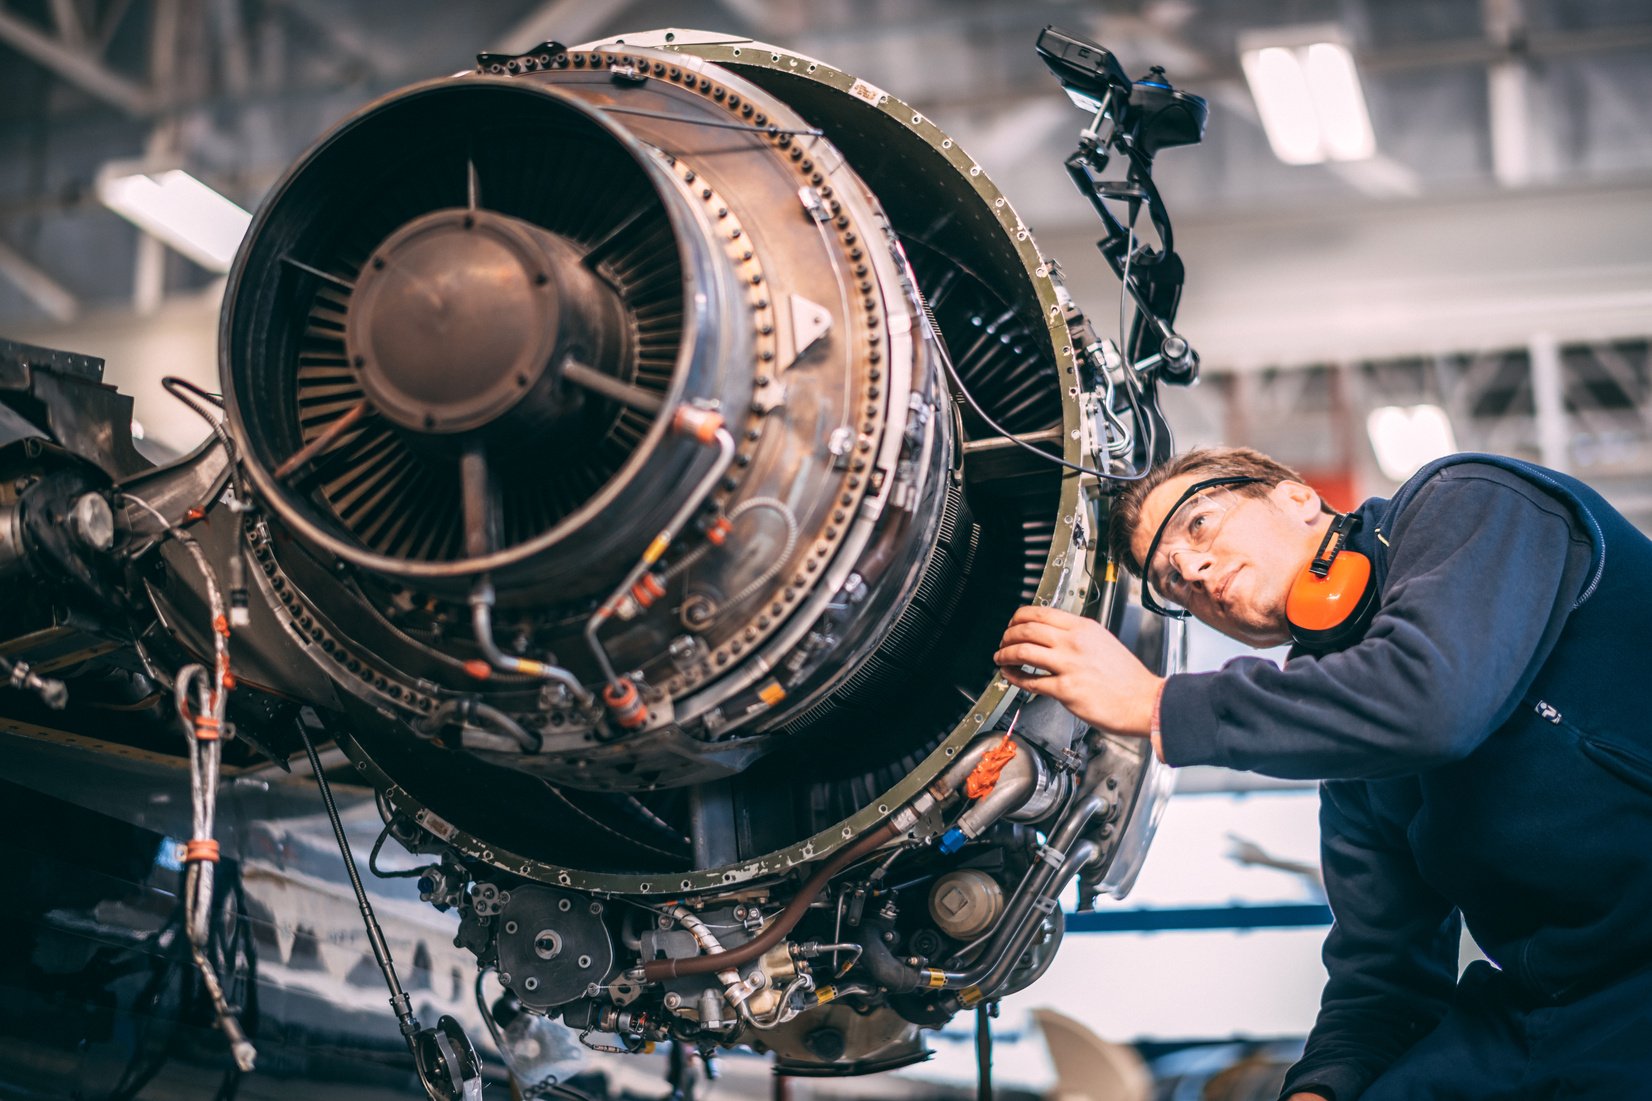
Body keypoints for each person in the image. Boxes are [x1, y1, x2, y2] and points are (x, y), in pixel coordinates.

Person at [993, 446, 1652, 1101]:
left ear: (1295, 496)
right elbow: (1384, 982)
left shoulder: (1472, 499)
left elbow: (1432, 704)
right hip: (1561, 1012)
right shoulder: (1352, 760)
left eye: (1199, 524)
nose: (1192, 570)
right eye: (1171, 584)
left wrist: (1156, 703)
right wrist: (1319, 1088)